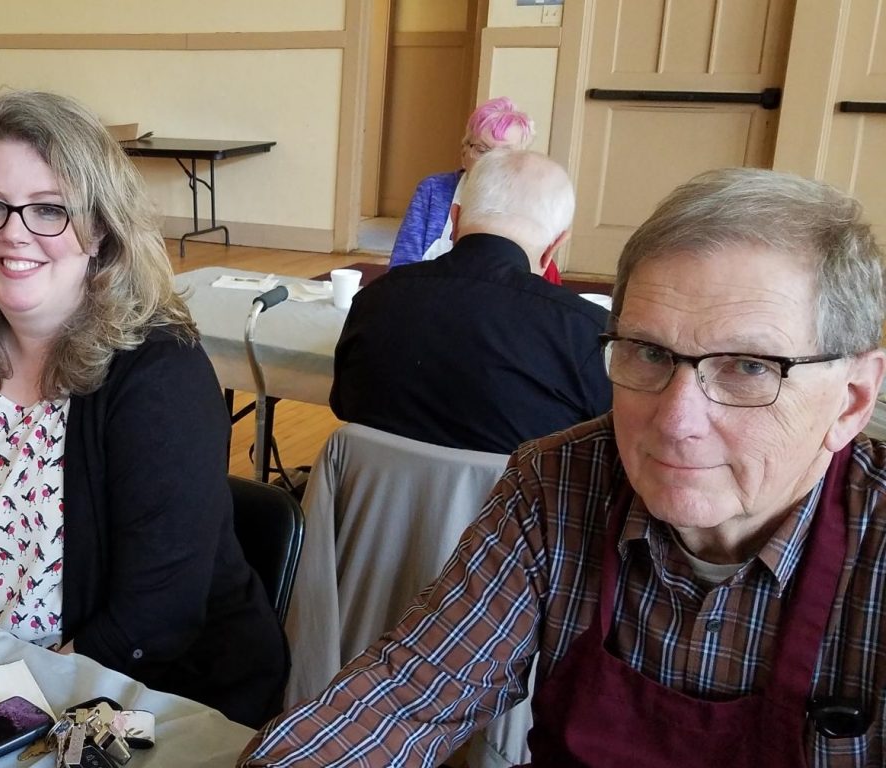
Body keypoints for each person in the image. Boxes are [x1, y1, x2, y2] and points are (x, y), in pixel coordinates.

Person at [240, 167, 886, 766]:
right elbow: (411, 693)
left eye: (750, 366)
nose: (675, 420)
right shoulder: (556, 482)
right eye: (648, 353)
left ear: (852, 399)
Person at [0, 90, 287, 728]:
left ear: (101, 231)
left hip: (148, 696)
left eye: (49, 210)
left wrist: (3, 711)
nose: (13, 232)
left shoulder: (159, 373)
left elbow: (155, 615)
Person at [331, 149, 611, 454]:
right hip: (508, 501)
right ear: (554, 247)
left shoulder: (375, 299)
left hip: (374, 499)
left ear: (455, 219)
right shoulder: (586, 334)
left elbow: (344, 404)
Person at [389, 97, 562, 284]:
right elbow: (400, 269)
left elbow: (534, 284)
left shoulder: (530, 203)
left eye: (506, 153)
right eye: (482, 149)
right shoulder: (433, 190)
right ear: (464, 152)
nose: (492, 162)